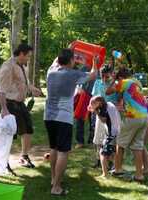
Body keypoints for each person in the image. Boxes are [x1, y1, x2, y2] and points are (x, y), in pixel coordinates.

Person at [44, 49, 97, 196]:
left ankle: (54, 179)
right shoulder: (73, 74)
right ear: (70, 61)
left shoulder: (51, 71)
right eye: (74, 58)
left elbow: (56, 60)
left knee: (53, 148)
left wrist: (68, 49)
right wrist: (95, 62)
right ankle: (56, 188)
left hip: (48, 116)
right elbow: (93, 75)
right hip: (63, 118)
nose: (75, 60)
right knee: (63, 152)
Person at [0, 43, 42, 168]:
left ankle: (24, 156)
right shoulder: (8, 67)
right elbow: (1, 90)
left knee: (28, 129)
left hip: (20, 103)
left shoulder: (23, 65)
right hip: (9, 104)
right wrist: (4, 109)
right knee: (9, 133)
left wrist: (33, 89)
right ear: (21, 54)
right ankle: (4, 161)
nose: (29, 59)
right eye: (28, 56)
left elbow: (25, 82)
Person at [106, 67, 148, 182]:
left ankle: (118, 169)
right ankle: (139, 175)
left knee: (120, 143)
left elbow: (108, 92)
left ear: (120, 77)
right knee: (137, 146)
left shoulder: (124, 82)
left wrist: (113, 80)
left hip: (133, 117)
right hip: (144, 116)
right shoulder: (136, 82)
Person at [91, 64, 118, 168]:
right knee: (98, 137)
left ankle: (111, 161)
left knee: (111, 138)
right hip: (99, 112)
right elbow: (94, 98)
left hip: (111, 114)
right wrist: (94, 108)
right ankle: (99, 159)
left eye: (107, 77)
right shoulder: (98, 83)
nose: (104, 78)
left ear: (112, 75)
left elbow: (118, 99)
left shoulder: (115, 85)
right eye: (102, 76)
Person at [88, 96, 121, 177]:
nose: (91, 105)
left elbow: (103, 120)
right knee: (112, 152)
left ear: (99, 102)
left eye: (93, 103)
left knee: (102, 153)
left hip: (111, 133)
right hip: (118, 131)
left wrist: (96, 111)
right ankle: (116, 168)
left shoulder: (103, 109)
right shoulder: (109, 104)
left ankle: (105, 174)